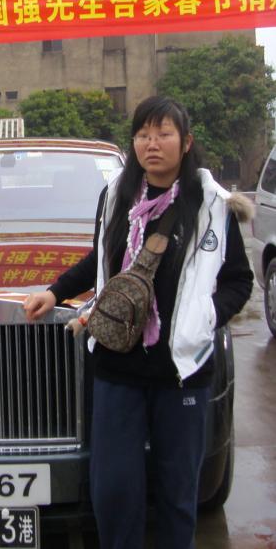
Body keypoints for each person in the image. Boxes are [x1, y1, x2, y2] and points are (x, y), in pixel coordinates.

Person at [24, 96, 253, 549]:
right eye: (143, 134)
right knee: (114, 490)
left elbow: (239, 280)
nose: (152, 143)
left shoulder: (211, 205)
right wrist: (55, 291)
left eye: (164, 133)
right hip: (117, 367)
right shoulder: (116, 196)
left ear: (186, 142)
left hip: (181, 372)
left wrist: (205, 317)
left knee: (177, 492)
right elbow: (100, 261)